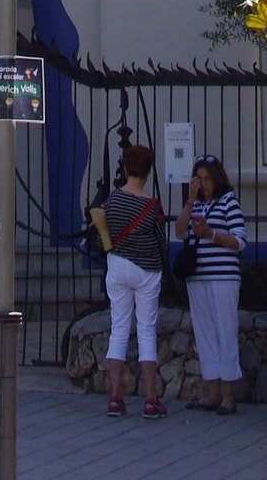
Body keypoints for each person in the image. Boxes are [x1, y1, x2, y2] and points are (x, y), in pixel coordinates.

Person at [100, 143, 169, 419]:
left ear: (125, 169)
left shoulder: (112, 200)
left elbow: (101, 232)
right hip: (147, 270)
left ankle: (115, 396)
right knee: (146, 330)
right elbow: (161, 241)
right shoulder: (152, 205)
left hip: (118, 265)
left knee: (118, 328)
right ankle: (151, 398)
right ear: (149, 172)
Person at [176, 155, 246, 412]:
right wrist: (190, 201)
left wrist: (211, 235)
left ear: (217, 179)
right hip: (198, 277)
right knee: (205, 333)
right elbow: (180, 231)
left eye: (207, 178)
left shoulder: (229, 203)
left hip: (223, 277)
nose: (203, 183)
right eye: (199, 178)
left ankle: (228, 394)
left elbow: (240, 241)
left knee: (225, 332)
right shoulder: (194, 205)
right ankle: (212, 392)